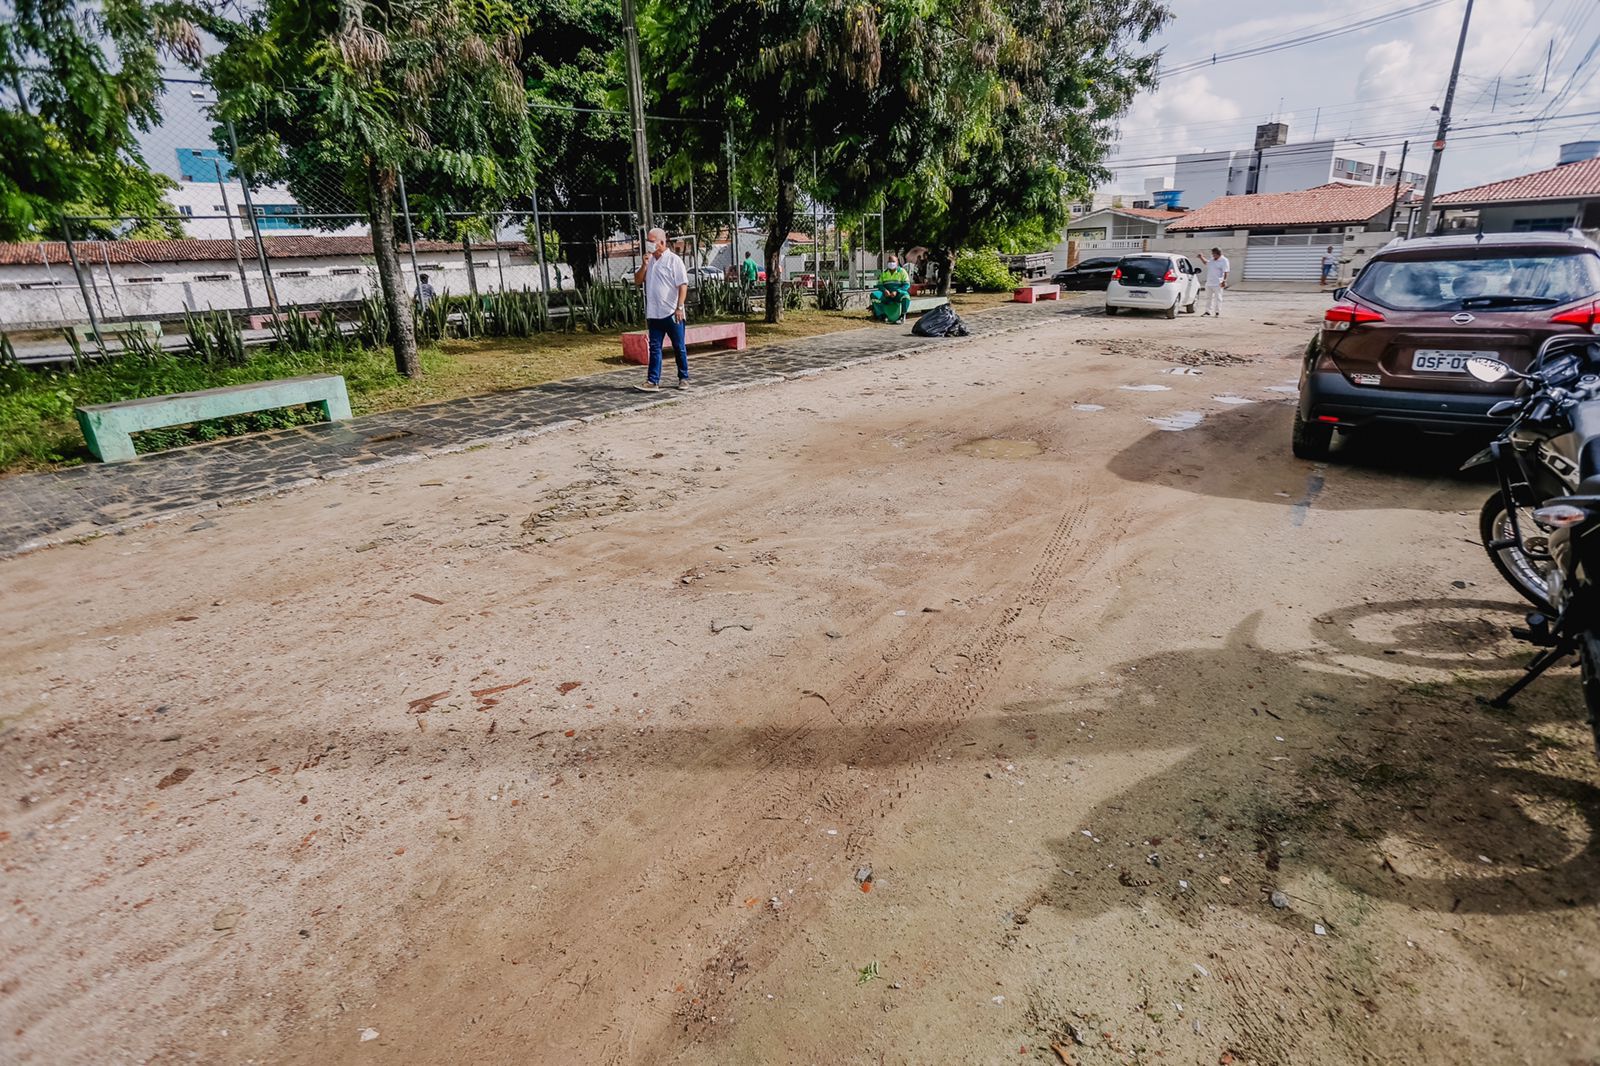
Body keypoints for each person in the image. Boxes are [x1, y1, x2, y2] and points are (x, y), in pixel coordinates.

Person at [633, 227, 690, 392]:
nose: (649, 245)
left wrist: (679, 307)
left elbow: (683, 285)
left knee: (678, 346)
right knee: (655, 347)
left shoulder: (674, 260)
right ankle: (652, 381)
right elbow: (638, 281)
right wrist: (644, 265)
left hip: (672, 312)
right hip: (654, 313)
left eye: (652, 241)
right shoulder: (649, 261)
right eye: (648, 241)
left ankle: (683, 377)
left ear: (662, 242)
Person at [871, 256, 911, 323]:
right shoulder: (884, 273)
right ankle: (882, 316)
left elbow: (907, 285)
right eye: (889, 262)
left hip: (898, 295)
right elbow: (880, 285)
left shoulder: (902, 272)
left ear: (897, 262)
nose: (891, 263)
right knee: (874, 295)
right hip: (886, 295)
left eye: (893, 261)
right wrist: (884, 290)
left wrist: (897, 291)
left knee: (906, 296)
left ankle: (902, 316)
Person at [1201, 248, 1229, 317]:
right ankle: (1207, 312)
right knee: (1208, 298)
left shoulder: (1224, 260)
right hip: (1209, 282)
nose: (1212, 255)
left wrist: (1224, 281)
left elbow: (1226, 271)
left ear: (1218, 254)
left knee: (1218, 298)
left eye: (1214, 254)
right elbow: (1206, 263)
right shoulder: (1212, 259)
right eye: (1212, 254)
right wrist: (1201, 257)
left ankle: (1217, 312)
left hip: (1218, 283)